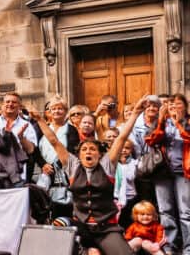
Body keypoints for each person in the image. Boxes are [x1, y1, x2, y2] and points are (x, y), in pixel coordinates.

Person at [33, 96, 147, 255]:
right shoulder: (73, 165)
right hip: (82, 228)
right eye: (84, 149)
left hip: (106, 229)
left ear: (100, 155)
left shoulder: (107, 165)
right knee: (60, 225)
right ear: (78, 155)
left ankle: (130, 246)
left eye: (92, 149)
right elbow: (54, 141)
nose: (88, 151)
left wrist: (135, 113)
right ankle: (87, 249)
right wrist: (39, 120)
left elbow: (121, 138)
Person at [143, 93, 190, 253]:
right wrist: (162, 121)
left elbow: (187, 137)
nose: (173, 107)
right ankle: (170, 245)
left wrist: (178, 123)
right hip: (162, 173)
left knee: (185, 212)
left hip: (184, 173)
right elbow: (150, 139)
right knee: (165, 211)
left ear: (185, 106)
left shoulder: (188, 122)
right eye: (170, 105)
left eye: (177, 104)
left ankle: (188, 248)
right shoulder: (161, 122)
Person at [0, 92, 37, 189]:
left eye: (14, 102)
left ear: (19, 106)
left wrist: (21, 138)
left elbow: (31, 150)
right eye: (7, 102)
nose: (10, 104)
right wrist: (4, 137)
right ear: (2, 105)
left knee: (17, 204)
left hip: (17, 177)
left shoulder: (26, 125)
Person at [38, 96, 77, 219]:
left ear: (65, 111)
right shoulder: (42, 128)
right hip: (45, 171)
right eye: (53, 109)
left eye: (60, 109)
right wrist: (43, 164)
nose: (56, 111)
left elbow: (72, 150)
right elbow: (35, 149)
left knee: (61, 205)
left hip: (63, 172)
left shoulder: (71, 129)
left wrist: (59, 165)